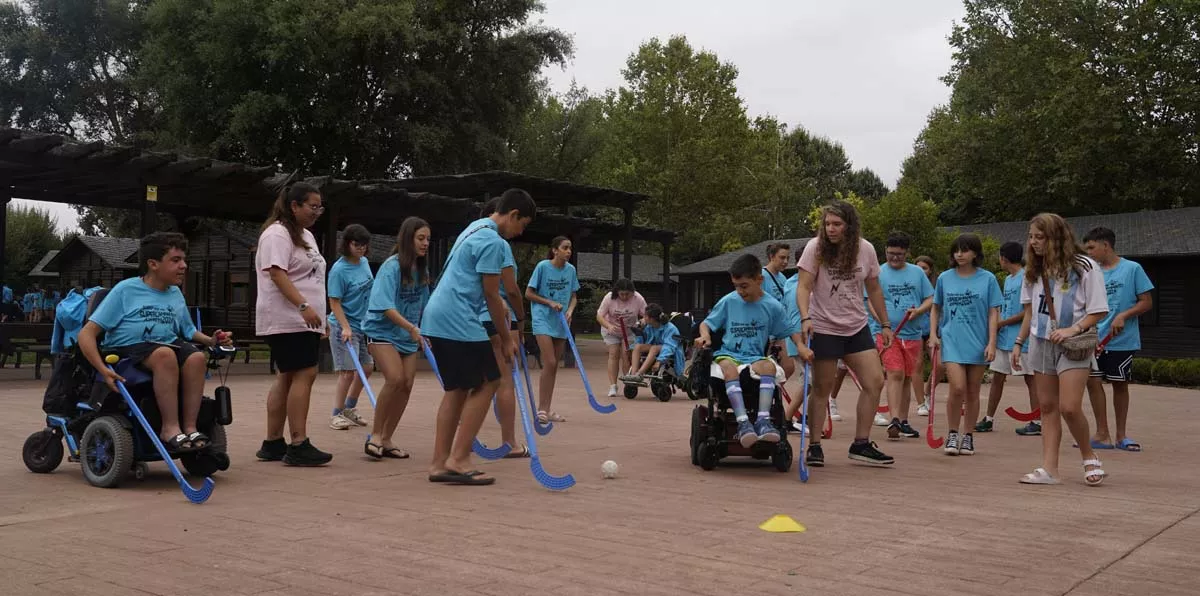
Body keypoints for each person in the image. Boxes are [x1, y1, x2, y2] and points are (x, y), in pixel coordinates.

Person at [77, 232, 233, 453]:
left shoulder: (175, 294)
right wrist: (102, 369)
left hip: (166, 345)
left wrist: (210, 340)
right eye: (176, 260)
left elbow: (187, 330)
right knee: (164, 355)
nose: (184, 266)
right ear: (153, 264)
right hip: (129, 351)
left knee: (197, 357)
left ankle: (190, 427)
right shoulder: (126, 290)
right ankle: (169, 428)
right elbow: (87, 333)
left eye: (183, 260)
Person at [424, 188, 535, 486]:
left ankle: (439, 463)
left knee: (458, 389)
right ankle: (459, 458)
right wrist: (507, 337)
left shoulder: (474, 227)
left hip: (436, 316)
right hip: (458, 317)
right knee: (491, 380)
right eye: (521, 225)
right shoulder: (493, 241)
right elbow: (491, 294)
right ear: (513, 215)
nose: (518, 232)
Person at [785, 199, 895, 467]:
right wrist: (805, 317)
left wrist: (885, 323)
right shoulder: (815, 248)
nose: (831, 229)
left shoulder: (865, 249)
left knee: (875, 381)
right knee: (822, 387)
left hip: (856, 326)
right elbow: (803, 287)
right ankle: (815, 445)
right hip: (823, 325)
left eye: (837, 224)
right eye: (827, 224)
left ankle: (861, 443)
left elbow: (875, 289)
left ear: (849, 226)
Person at [1013, 213, 1109, 486]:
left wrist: (1073, 329)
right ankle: (1049, 469)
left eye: (1040, 237)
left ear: (1057, 237)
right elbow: (1029, 312)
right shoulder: (1032, 270)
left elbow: (1099, 310)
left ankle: (1089, 455)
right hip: (1040, 341)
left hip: (1073, 344)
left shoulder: (1084, 266)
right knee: (1047, 406)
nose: (1034, 243)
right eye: (1031, 237)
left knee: (1069, 406)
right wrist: (1019, 343)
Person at [695, 254, 811, 447]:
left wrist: (801, 347)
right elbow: (706, 324)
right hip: (729, 353)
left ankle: (763, 421)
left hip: (755, 356)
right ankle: (743, 423)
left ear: (759, 280)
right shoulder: (729, 301)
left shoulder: (772, 306)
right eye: (736, 286)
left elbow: (790, 331)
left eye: (744, 286)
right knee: (729, 368)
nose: (740, 291)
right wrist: (705, 336)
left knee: (769, 367)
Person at [254, 181, 331, 467]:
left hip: (305, 319)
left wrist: (321, 317)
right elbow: (277, 273)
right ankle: (298, 443)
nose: (316, 212)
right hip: (287, 318)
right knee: (305, 373)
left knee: (287, 376)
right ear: (294, 205)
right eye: (312, 206)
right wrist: (303, 307)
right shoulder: (277, 233)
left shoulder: (306, 235)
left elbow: (311, 277)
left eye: (319, 207)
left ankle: (273, 442)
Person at [361, 217, 431, 459]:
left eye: (428, 239)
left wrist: (427, 331)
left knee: (407, 384)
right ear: (407, 238)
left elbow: (426, 305)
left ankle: (388, 439)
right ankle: (376, 435)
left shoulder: (421, 270)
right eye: (421, 238)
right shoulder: (391, 267)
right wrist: (412, 328)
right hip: (382, 331)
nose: (425, 243)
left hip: (407, 334)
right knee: (395, 378)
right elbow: (385, 307)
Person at [929, 233, 1002, 456]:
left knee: (973, 390)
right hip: (951, 339)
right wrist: (933, 334)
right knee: (957, 387)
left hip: (978, 340)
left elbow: (993, 312)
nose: (960, 254)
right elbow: (936, 307)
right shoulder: (945, 278)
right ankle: (952, 432)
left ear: (975, 253)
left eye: (965, 250)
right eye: (956, 250)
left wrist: (992, 342)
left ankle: (968, 435)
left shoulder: (988, 279)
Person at [1083, 226, 1153, 452]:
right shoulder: (1091, 272)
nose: (1089, 253)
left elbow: (1146, 301)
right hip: (1094, 339)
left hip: (1122, 340)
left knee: (1119, 384)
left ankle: (1121, 435)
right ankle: (1101, 434)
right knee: (1093, 383)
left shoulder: (1132, 269)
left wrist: (1123, 315)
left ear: (1106, 245)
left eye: (1092, 248)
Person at [476, 198, 529, 458]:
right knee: (503, 381)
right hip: (495, 319)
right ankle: (509, 442)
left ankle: (465, 437)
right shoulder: (498, 244)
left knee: (478, 382)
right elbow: (510, 289)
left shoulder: (472, 239)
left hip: (472, 320)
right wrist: (520, 320)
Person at [976, 242, 1040, 435]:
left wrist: (1001, 324)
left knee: (1031, 379)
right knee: (997, 377)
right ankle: (988, 419)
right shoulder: (1008, 279)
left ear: (1003, 258)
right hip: (1004, 339)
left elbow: (1027, 312)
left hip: (1023, 338)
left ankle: (1037, 421)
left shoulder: (1027, 277)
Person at [875, 232, 933, 441]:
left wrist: (919, 311)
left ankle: (904, 420)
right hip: (887, 332)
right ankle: (894, 419)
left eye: (899, 254)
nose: (894, 258)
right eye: (891, 254)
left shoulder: (917, 272)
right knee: (895, 373)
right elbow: (870, 302)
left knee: (907, 377)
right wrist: (884, 324)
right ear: (885, 251)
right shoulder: (878, 272)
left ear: (907, 253)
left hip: (913, 333)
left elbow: (930, 298)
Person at [526, 236, 580, 424]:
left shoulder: (570, 270)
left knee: (554, 365)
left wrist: (570, 311)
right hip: (543, 318)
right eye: (565, 248)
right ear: (555, 250)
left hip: (561, 321)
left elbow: (574, 297)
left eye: (570, 248)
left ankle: (546, 409)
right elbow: (529, 293)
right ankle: (541, 409)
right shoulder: (542, 267)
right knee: (549, 361)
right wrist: (549, 302)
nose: (568, 251)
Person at [327, 224, 375, 431]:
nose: (361, 249)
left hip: (361, 325)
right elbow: (334, 302)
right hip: (342, 326)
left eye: (364, 245)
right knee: (347, 372)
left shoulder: (364, 262)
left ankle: (349, 408)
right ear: (347, 244)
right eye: (357, 244)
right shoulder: (339, 270)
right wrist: (345, 327)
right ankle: (336, 414)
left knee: (366, 367)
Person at [595, 278, 646, 397]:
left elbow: (646, 315)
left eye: (627, 294)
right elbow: (599, 316)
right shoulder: (609, 298)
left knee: (626, 354)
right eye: (621, 294)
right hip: (611, 329)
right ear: (617, 292)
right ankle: (613, 386)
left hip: (629, 331)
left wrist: (642, 321)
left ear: (632, 292)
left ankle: (628, 383)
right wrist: (608, 325)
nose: (624, 297)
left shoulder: (638, 298)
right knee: (614, 353)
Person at [762, 242, 797, 379]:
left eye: (787, 258)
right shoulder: (762, 276)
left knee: (788, 368)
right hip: (767, 331)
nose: (785, 262)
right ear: (772, 256)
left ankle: (772, 393)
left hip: (781, 329)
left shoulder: (783, 278)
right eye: (782, 258)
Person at [622, 304, 677, 380]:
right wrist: (638, 333)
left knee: (654, 348)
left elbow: (670, 346)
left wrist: (659, 361)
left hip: (669, 348)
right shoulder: (649, 326)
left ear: (651, 319)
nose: (643, 318)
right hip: (655, 346)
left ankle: (640, 373)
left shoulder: (670, 328)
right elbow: (642, 341)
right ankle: (633, 374)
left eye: (645, 316)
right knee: (638, 347)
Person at [914, 255, 937, 416]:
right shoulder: (911, 283)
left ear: (930, 270)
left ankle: (928, 391)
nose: (921, 271)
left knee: (940, 364)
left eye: (925, 268)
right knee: (918, 364)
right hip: (915, 330)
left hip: (931, 331)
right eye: (918, 267)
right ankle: (920, 402)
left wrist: (936, 333)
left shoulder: (935, 285)